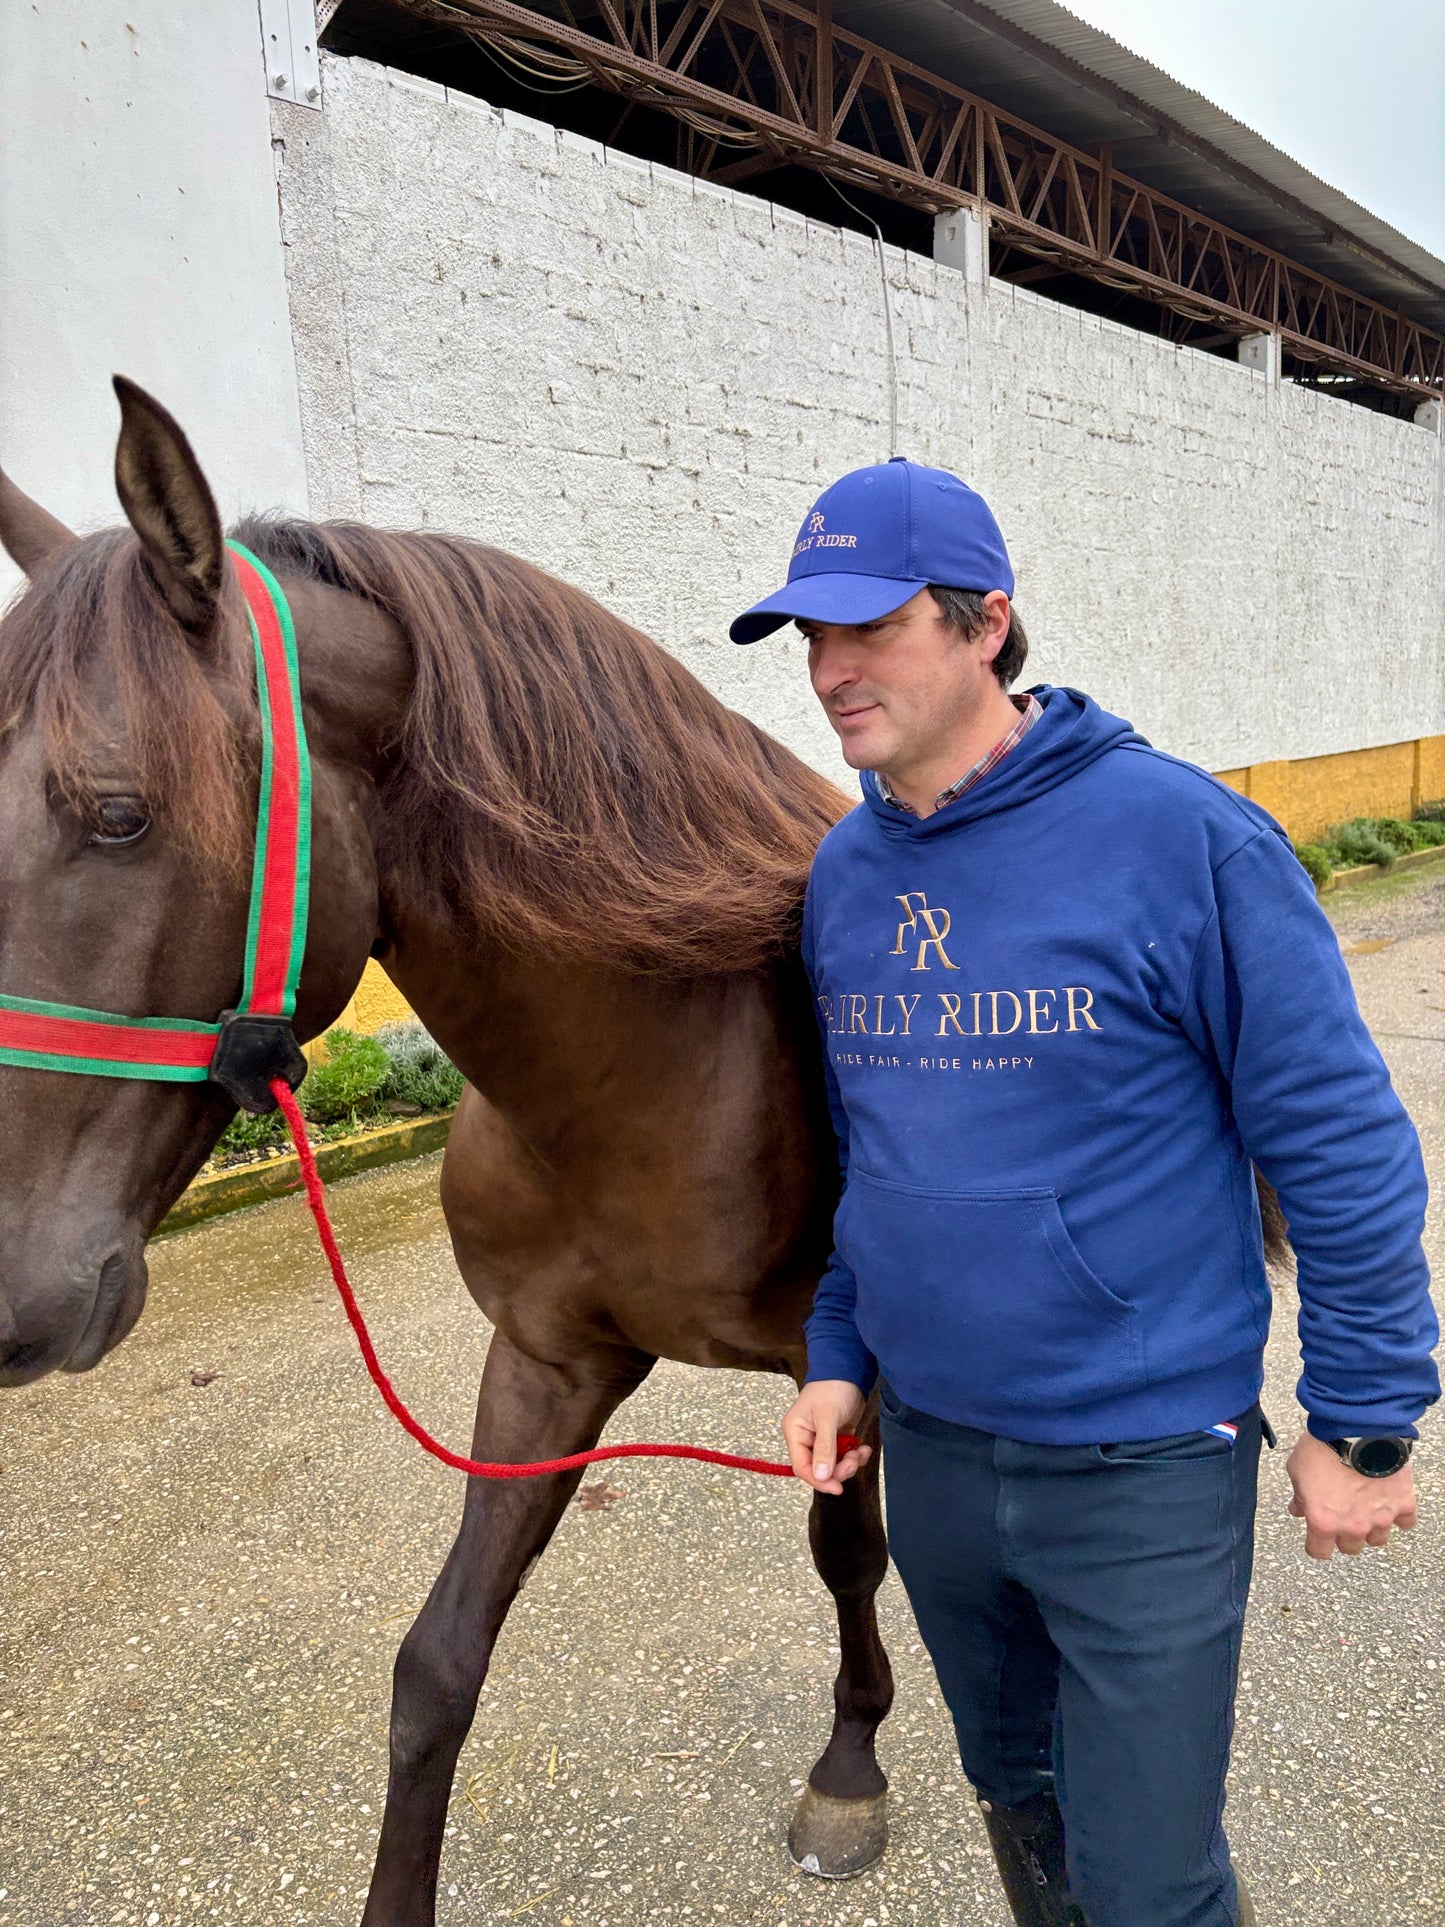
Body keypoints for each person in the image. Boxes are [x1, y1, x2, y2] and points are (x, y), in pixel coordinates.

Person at [730, 457, 1439, 1927]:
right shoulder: (848, 876)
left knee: (1148, 1883)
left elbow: (1339, 1145)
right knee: (1023, 1813)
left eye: (869, 627)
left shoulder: (1181, 841)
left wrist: (1362, 1425)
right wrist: (839, 1359)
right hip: (932, 1460)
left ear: (986, 622)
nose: (829, 668)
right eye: (807, 635)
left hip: (1140, 1469)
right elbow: (883, 1158)